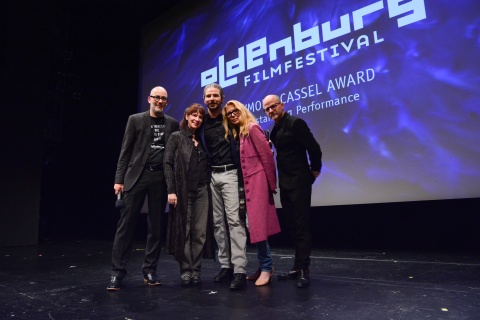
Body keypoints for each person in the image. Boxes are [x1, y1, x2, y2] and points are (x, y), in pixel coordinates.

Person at [108, 86, 179, 291]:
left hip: (159, 178)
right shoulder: (135, 120)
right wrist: (118, 179)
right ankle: (117, 273)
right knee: (126, 225)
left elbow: (172, 157)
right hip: (136, 177)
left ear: (166, 102)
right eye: (156, 97)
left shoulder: (172, 124)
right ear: (149, 99)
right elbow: (125, 151)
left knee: (155, 227)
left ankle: (149, 270)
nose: (160, 101)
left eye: (163, 99)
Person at [262, 94, 322, 288]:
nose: (271, 111)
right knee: (293, 226)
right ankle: (297, 267)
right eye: (267, 109)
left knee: (301, 225)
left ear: (282, 105)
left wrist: (314, 171)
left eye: (273, 107)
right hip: (285, 183)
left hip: (300, 181)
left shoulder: (296, 123)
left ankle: (304, 268)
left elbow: (314, 148)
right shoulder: (274, 130)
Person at [222, 100, 280, 286]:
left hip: (258, 183)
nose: (232, 115)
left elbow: (267, 157)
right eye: (228, 114)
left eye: (234, 111)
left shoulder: (252, 127)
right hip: (248, 184)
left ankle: (266, 267)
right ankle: (265, 265)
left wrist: (271, 184)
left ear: (242, 110)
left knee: (256, 225)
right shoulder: (239, 133)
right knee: (253, 226)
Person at [198, 83, 248, 290]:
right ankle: (226, 265)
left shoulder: (230, 118)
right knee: (218, 224)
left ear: (221, 97)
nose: (212, 99)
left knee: (235, 222)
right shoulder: (201, 123)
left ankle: (239, 270)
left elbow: (247, 130)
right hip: (213, 176)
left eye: (215, 96)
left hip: (231, 174)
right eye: (208, 96)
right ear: (204, 99)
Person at [163, 103, 215, 286]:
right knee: (184, 232)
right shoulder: (176, 137)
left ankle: (196, 269)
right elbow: (168, 164)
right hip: (183, 192)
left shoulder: (202, 141)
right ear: (186, 116)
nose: (197, 119)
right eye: (194, 115)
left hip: (202, 191)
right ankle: (186, 270)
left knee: (200, 233)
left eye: (200, 117)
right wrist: (171, 190)